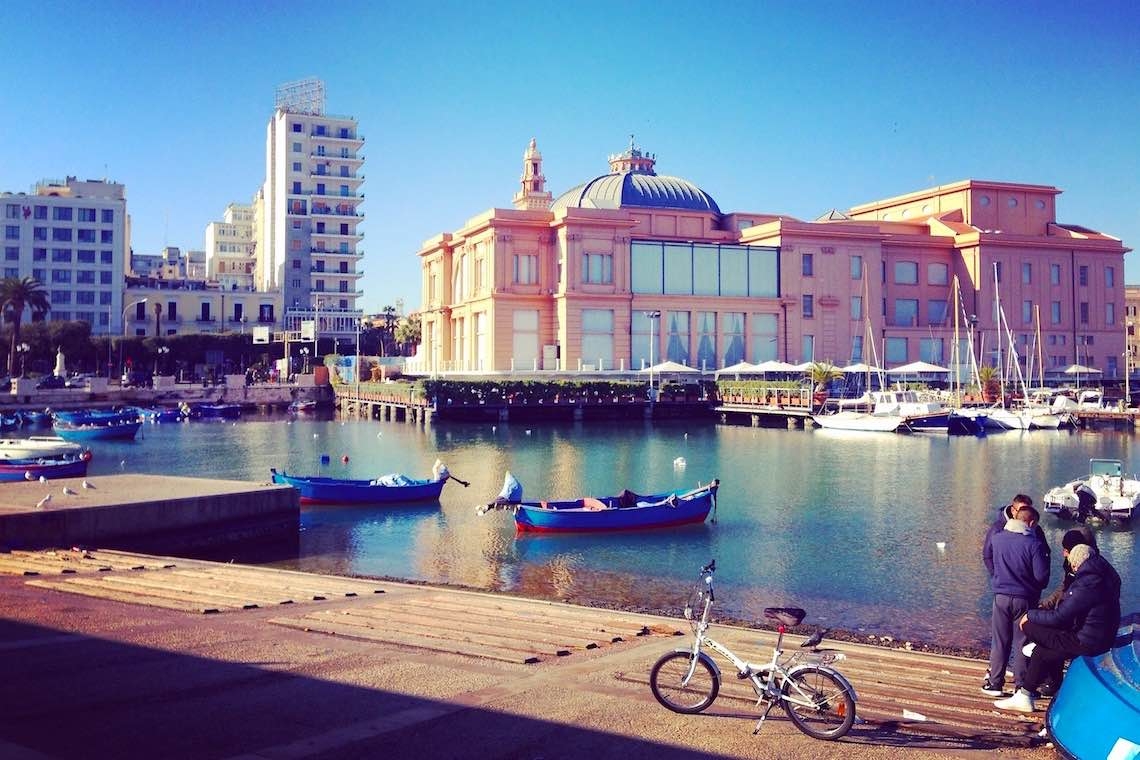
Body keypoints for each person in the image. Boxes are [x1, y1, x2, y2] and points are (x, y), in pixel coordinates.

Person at [994, 542, 1121, 713]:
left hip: (1086, 641)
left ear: (1075, 564)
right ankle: (1025, 696)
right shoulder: (1105, 575)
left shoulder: (1088, 583)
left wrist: (1029, 615)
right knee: (1042, 651)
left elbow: (1060, 617)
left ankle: (1025, 694)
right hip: (1099, 637)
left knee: (1028, 625)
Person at [982, 503, 1051, 697]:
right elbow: (1041, 577)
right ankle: (1021, 686)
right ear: (1030, 522)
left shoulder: (998, 539)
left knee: (999, 641)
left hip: (1001, 596)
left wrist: (999, 578)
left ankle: (995, 683)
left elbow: (990, 560)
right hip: (1025, 598)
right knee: (1022, 642)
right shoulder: (1034, 544)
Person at [1031, 527, 1098, 696]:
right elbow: (1064, 586)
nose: (1063, 554)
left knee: (1052, 642)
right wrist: (1047, 603)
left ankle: (1044, 685)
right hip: (1067, 611)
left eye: (1067, 550)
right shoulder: (1070, 562)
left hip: (1081, 620)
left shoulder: (1091, 568)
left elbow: (1079, 597)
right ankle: (1053, 681)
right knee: (1051, 637)